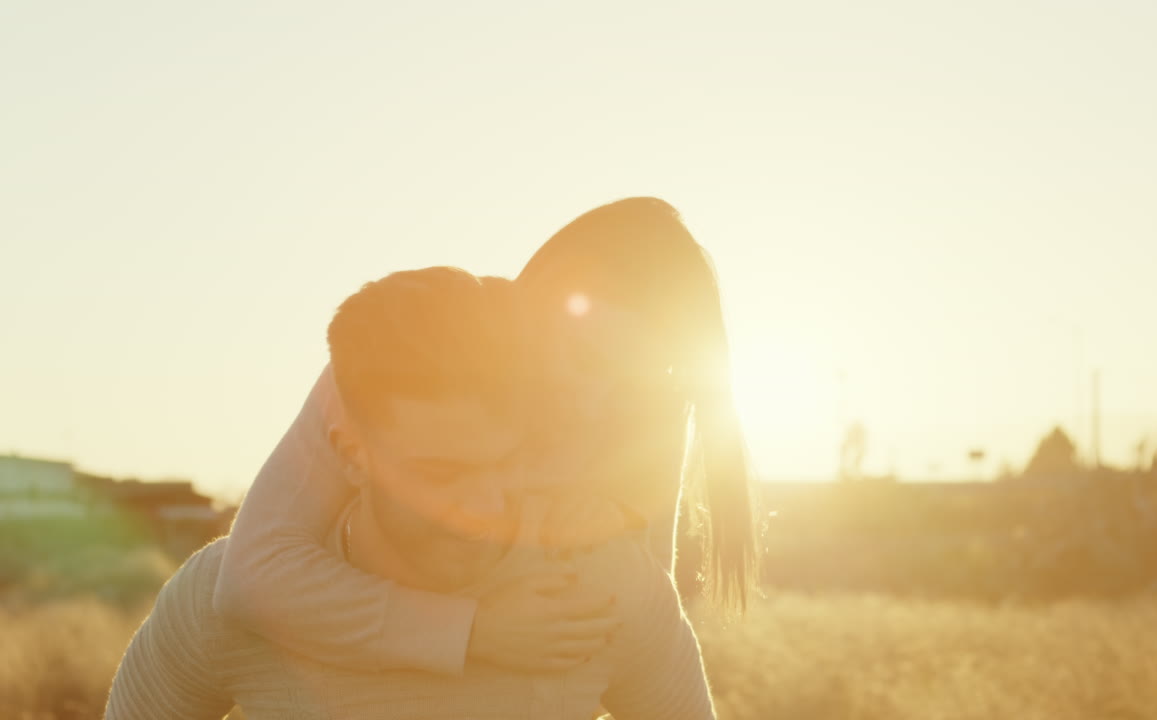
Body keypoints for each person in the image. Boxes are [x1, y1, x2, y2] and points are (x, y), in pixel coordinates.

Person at [105, 267, 715, 719]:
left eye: (509, 464)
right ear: (349, 453)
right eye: (441, 475)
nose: (484, 513)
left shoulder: (609, 586)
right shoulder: (220, 599)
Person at [211, 197, 759, 675]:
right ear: (535, 301)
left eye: (634, 379)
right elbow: (251, 579)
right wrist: (473, 633)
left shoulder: (649, 409)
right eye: (587, 358)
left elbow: (639, 636)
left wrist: (610, 520)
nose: (596, 403)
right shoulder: (405, 355)